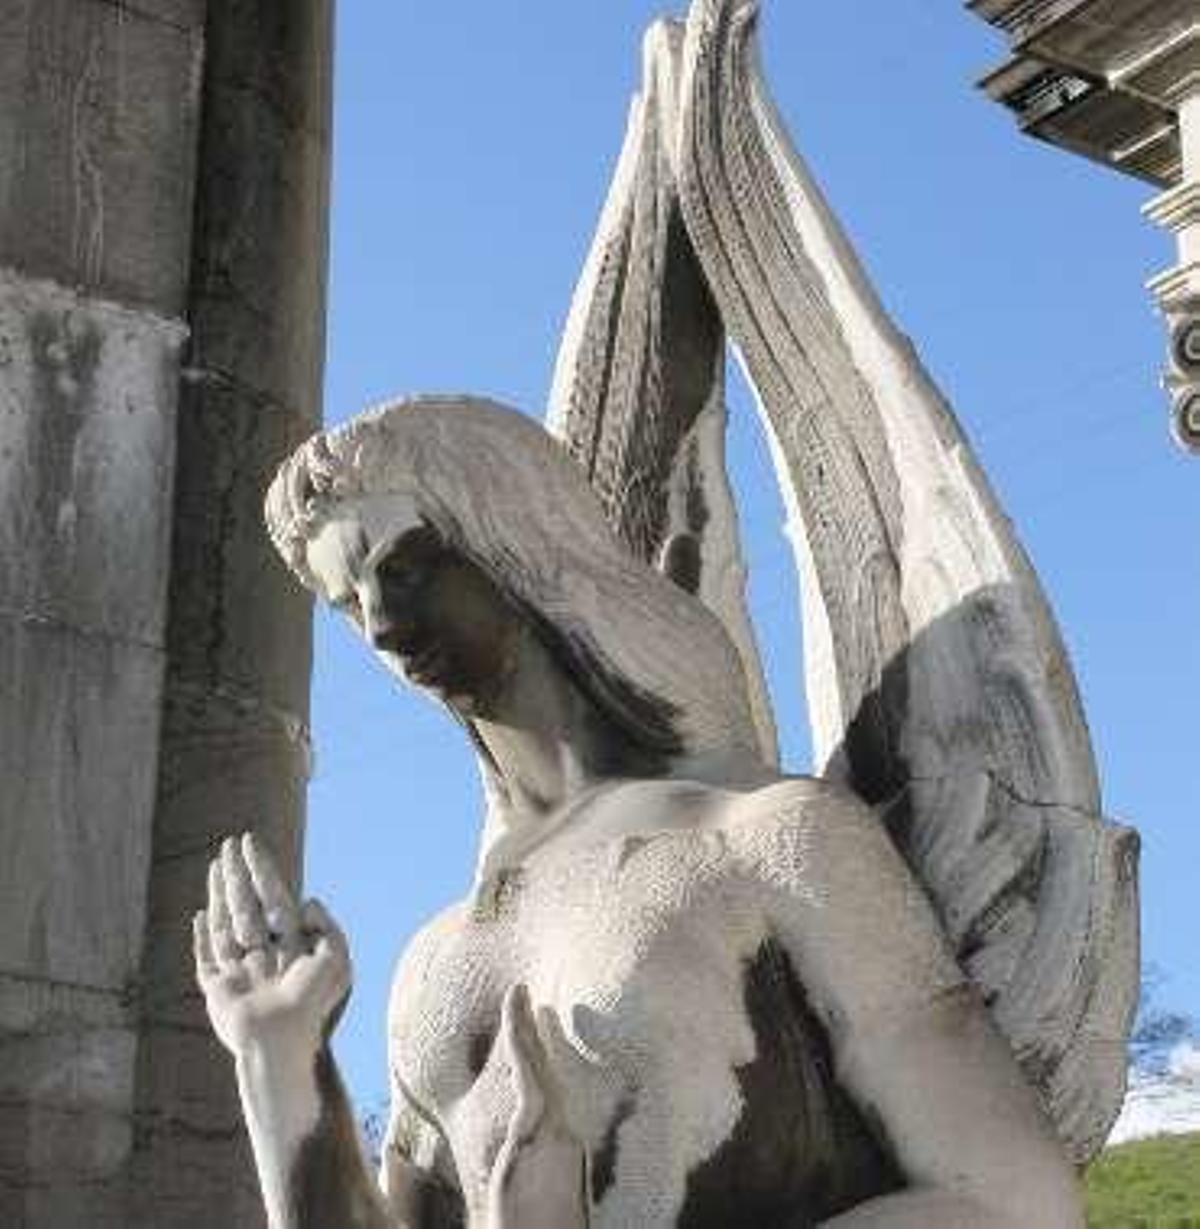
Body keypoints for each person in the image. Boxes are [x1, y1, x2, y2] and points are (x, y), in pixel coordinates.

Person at [194, 397, 1084, 1228]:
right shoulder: (438, 959)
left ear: (511, 539)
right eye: (350, 604)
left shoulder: (771, 834)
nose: (381, 624)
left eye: (406, 567)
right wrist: (282, 1062)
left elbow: (1015, 1198)